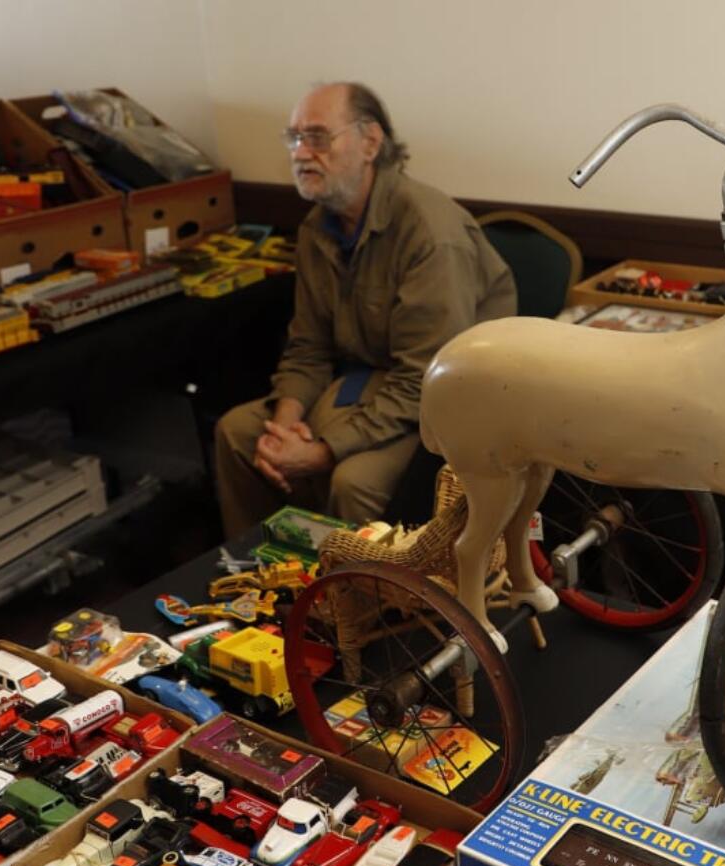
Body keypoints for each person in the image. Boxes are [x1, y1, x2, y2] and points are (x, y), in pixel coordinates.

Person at [214, 82, 516, 537]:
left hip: (450, 400)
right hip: (369, 380)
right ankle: (261, 581)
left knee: (353, 481)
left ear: (370, 142)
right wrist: (282, 432)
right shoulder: (318, 226)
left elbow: (426, 379)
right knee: (238, 433)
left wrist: (321, 451)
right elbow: (308, 348)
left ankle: (355, 600)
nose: (299, 153)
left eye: (317, 137)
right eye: (293, 138)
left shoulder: (430, 232)